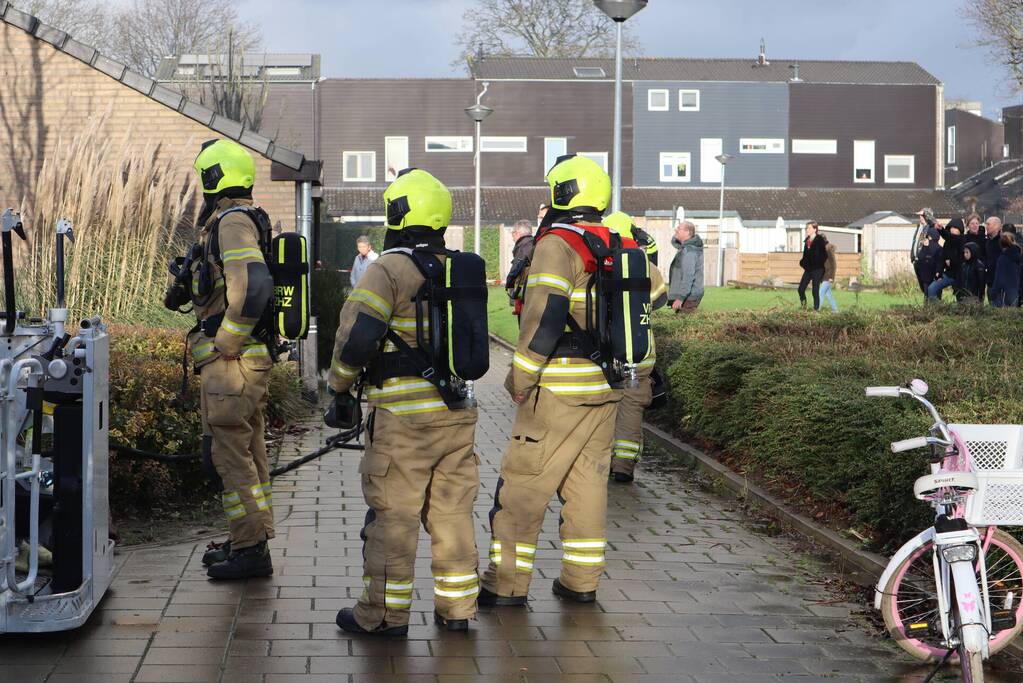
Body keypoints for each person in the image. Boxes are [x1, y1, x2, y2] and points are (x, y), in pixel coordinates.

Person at [479, 154, 666, 607]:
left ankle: (507, 585)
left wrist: (520, 378)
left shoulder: (558, 244)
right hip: (605, 386)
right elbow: (657, 290)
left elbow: (544, 319)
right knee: (587, 487)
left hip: (557, 388)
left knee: (524, 485)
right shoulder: (620, 242)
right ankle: (581, 582)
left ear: (562, 193)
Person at [327, 168, 481, 636]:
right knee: (452, 513)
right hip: (457, 415)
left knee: (394, 517)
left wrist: (338, 386)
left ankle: (383, 616)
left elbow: (357, 339)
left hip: (403, 419)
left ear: (398, 212)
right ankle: (457, 611)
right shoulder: (458, 267)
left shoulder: (388, 268)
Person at [184, 139, 276, 580]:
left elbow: (253, 285)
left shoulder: (232, 221)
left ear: (212, 178)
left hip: (233, 364)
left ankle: (249, 549)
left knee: (230, 456)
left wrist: (227, 342)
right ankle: (251, 539)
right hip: (248, 361)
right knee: (248, 451)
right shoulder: (243, 217)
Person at [603, 211, 660, 484]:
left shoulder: (598, 260)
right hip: (640, 353)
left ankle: (600, 463)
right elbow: (660, 299)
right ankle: (623, 467)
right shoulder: (643, 263)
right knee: (631, 411)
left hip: (605, 353)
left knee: (605, 410)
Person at [667, 220, 703, 313]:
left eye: (679, 228)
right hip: (688, 295)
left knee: (682, 324)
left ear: (687, 232)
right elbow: (674, 242)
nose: (676, 230)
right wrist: (677, 236)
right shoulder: (684, 247)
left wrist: (680, 298)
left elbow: (688, 276)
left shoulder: (689, 251)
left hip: (689, 297)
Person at [928, 217, 964, 301]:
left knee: (960, 298)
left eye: (955, 228)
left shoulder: (962, 240)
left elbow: (960, 260)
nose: (953, 230)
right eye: (952, 228)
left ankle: (961, 312)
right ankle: (936, 309)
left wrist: (951, 261)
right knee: (932, 288)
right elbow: (942, 258)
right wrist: (938, 272)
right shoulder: (947, 243)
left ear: (960, 230)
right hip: (949, 274)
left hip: (960, 275)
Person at [797, 221, 828, 310]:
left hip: (818, 269)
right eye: (807, 228)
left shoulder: (819, 240)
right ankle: (804, 307)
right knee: (800, 289)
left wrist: (818, 263)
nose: (807, 230)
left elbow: (824, 255)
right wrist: (802, 263)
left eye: (809, 228)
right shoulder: (807, 241)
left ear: (815, 229)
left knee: (815, 290)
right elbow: (805, 256)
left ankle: (816, 309)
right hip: (808, 269)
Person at [989, 232, 1022, 307]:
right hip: (1015, 292)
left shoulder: (1002, 259)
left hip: (1003, 293)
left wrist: (993, 292)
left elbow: (999, 278)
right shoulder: (1018, 257)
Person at [913, 226, 942, 295]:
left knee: (927, 298)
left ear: (929, 237)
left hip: (926, 279)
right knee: (937, 298)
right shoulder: (940, 248)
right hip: (937, 278)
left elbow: (919, 260)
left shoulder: (925, 247)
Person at [985, 216, 1004, 303]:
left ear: (996, 226)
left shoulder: (1003, 242)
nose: (986, 226)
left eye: (988, 224)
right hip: (990, 282)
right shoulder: (988, 242)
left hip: (1000, 284)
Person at [820, 242, 839, 312]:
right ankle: (835, 310)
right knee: (829, 295)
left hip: (828, 277)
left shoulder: (829, 252)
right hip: (825, 277)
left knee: (821, 293)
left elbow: (833, 266)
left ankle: (817, 310)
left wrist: (832, 277)